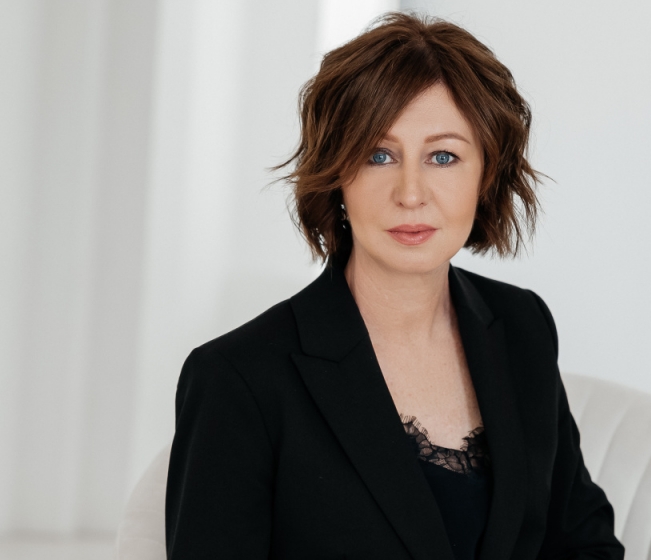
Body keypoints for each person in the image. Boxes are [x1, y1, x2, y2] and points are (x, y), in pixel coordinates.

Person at [165, 11, 625, 560]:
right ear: (337, 176)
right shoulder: (238, 378)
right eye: (378, 155)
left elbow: (581, 543)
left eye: (443, 157)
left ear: (486, 175)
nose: (410, 193)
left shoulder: (522, 325)